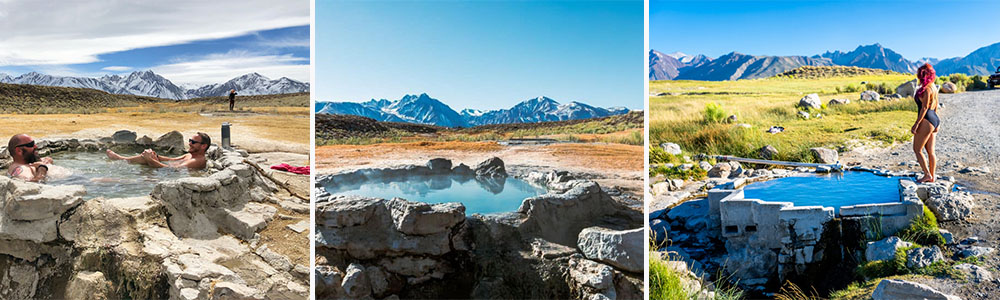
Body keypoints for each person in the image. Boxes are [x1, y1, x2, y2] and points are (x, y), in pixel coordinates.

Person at [106, 132, 211, 170]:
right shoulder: (189, 155)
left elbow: (171, 169)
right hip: (170, 170)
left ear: (203, 146)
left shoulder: (197, 160)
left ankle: (122, 160)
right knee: (148, 156)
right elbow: (171, 159)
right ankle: (122, 159)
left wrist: (151, 160)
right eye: (190, 141)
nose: (190, 144)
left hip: (171, 174)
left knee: (146, 163)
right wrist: (156, 156)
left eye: (193, 142)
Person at [911, 63, 940, 183]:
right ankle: (932, 176)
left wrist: (917, 124)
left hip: (926, 119)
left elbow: (924, 108)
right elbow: (936, 105)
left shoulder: (927, 89)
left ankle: (927, 174)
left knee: (917, 149)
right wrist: (935, 124)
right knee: (930, 151)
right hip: (934, 119)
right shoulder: (932, 86)